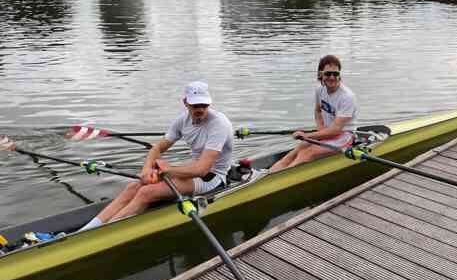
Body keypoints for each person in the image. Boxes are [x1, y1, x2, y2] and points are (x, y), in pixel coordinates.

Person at [78, 81, 233, 231]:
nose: (200, 109)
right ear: (185, 102)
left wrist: (165, 172)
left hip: (213, 178)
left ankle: (103, 233)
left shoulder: (219, 124)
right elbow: (157, 148)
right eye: (195, 105)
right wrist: (146, 171)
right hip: (192, 172)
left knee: (146, 192)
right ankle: (87, 230)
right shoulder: (182, 120)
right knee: (134, 186)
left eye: (204, 105)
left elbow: (202, 170)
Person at [270, 55, 358, 173]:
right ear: (320, 74)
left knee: (307, 153)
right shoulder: (319, 90)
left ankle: (279, 180)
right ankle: (268, 175)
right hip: (326, 132)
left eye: (335, 74)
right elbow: (317, 111)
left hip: (343, 136)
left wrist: (307, 136)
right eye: (328, 74)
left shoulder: (347, 97)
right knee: (292, 154)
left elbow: (335, 131)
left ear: (339, 74)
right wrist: (320, 130)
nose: (332, 77)